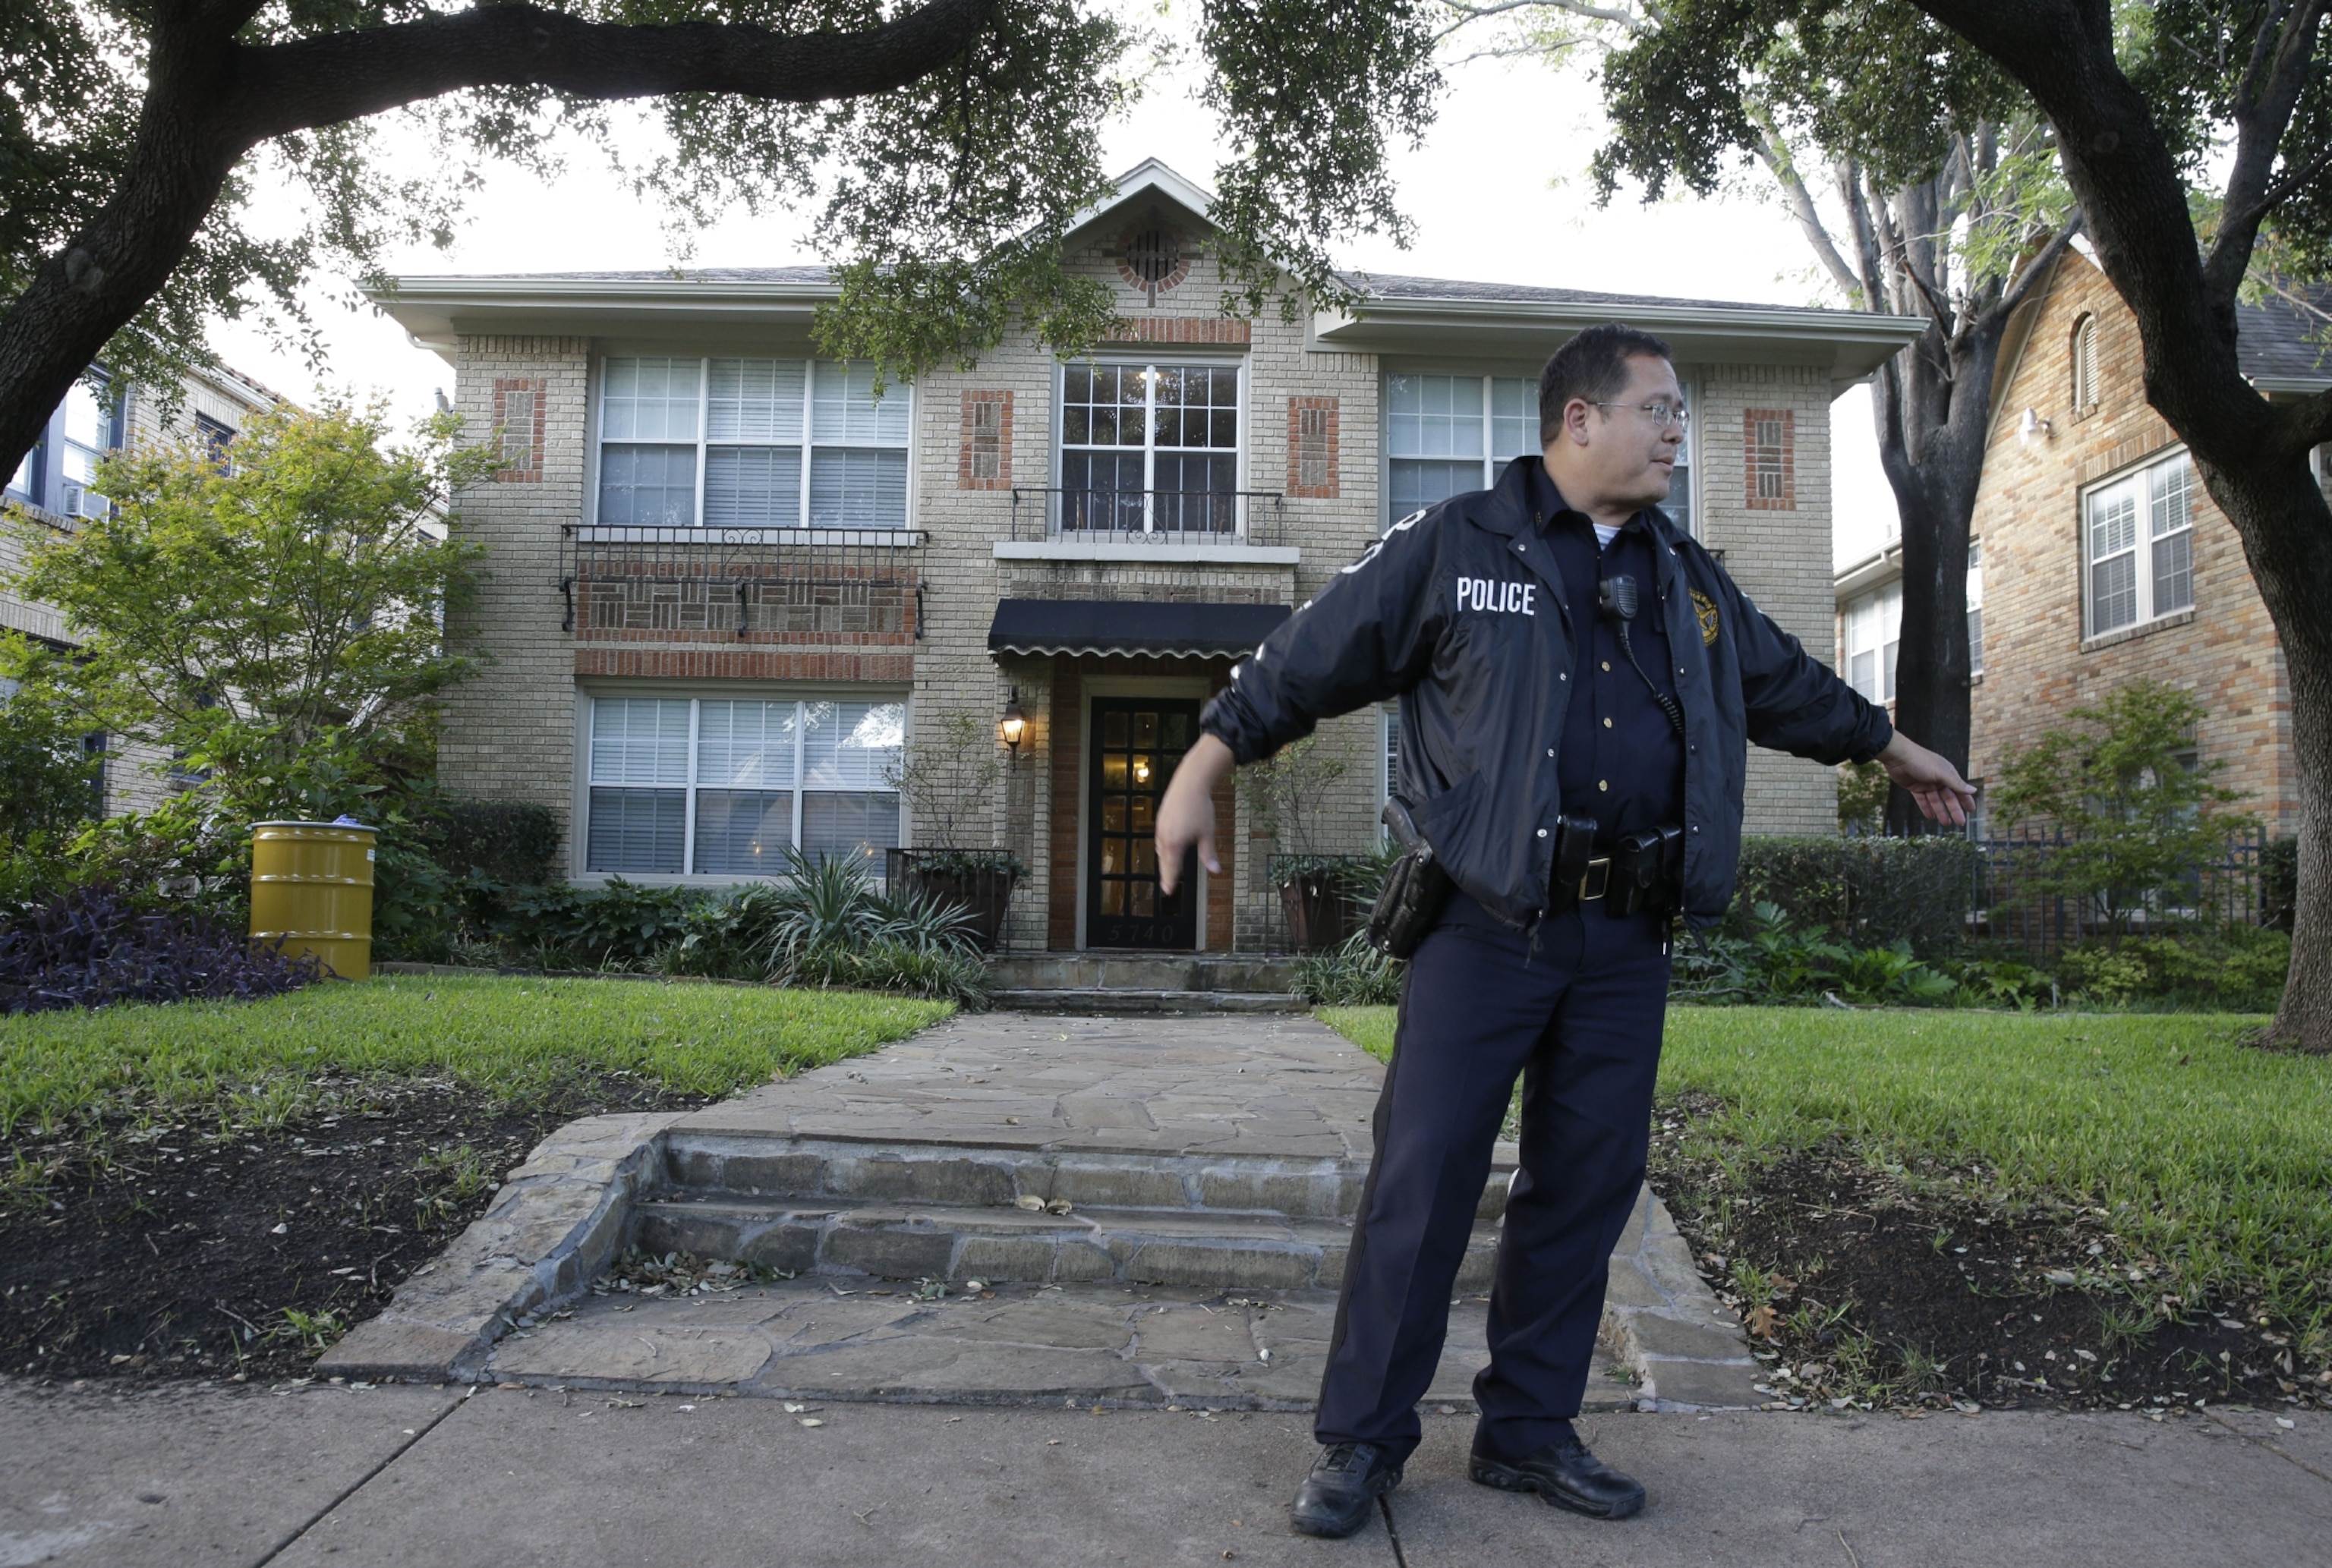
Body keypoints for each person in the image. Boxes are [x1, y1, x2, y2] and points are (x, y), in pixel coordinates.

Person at [1154, 323, 1973, 1538]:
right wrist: (1200, 766)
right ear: (1579, 419)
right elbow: (1307, 658)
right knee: (1422, 1186)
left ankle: (1528, 1431)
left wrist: (1895, 747)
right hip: (1484, 932)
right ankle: (1362, 1441)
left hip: (1626, 940)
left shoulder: (1685, 575)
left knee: (1584, 1188)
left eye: (1682, 414)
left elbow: (1783, 680)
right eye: (1659, 410)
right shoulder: (1454, 545)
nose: (1676, 432)